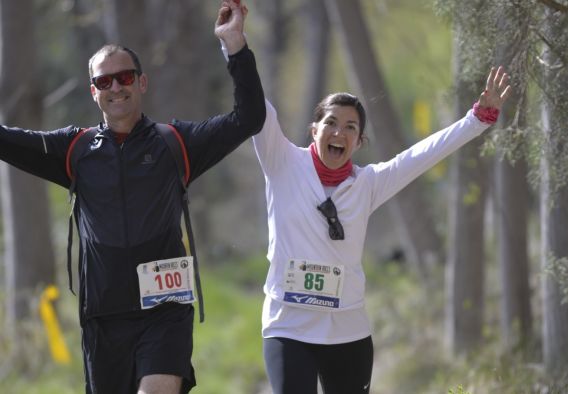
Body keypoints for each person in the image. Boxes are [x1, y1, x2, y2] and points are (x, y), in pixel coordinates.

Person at [0, 1, 264, 393]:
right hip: (103, 318)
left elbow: (249, 117)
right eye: (104, 82)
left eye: (124, 77)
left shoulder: (176, 143)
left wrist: (235, 45)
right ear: (94, 92)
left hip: (164, 311)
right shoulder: (74, 149)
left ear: (141, 82)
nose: (116, 87)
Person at [253, 67, 511, 393]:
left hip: (347, 332)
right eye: (330, 122)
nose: (338, 132)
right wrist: (235, 48)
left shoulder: (368, 183)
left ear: (359, 142)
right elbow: (257, 108)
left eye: (350, 127)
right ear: (313, 129)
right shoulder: (282, 164)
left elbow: (422, 155)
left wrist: (478, 119)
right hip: (288, 326)